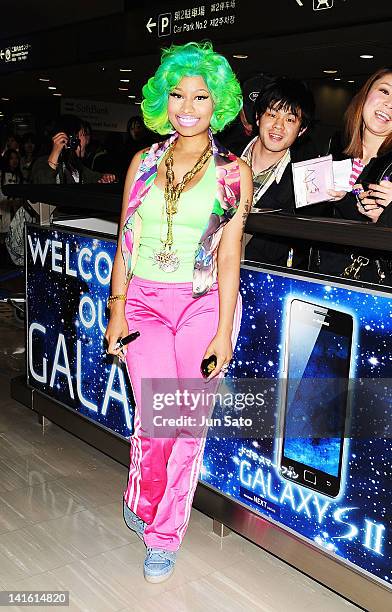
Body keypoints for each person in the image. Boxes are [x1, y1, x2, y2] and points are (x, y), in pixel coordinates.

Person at [105, 41, 252, 583]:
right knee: (155, 422)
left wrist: (223, 330)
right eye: (176, 93)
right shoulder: (142, 163)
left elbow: (231, 254)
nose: (187, 105)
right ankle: (142, 495)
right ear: (161, 100)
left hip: (200, 304)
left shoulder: (234, 172)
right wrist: (116, 308)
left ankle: (165, 535)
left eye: (201, 96)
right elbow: (125, 239)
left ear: (220, 105)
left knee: (186, 425)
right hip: (142, 298)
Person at [317, 67, 392, 282]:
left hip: (373, 288)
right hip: (320, 274)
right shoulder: (334, 145)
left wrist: (386, 214)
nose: (389, 103)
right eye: (384, 91)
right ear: (366, 94)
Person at [240, 76, 315, 267]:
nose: (278, 126)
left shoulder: (305, 180)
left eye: (290, 119)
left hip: (260, 280)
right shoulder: (225, 156)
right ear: (258, 117)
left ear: (302, 130)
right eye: (272, 115)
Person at [31, 115, 116, 184]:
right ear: (72, 139)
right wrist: (55, 152)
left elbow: (94, 177)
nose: (86, 141)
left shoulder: (76, 166)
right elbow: (43, 186)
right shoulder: (42, 162)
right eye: (83, 135)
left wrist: (105, 177)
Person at [0, 149, 23, 234]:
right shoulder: (1, 174)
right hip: (3, 210)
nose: (14, 161)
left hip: (14, 212)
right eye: (11, 158)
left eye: (16, 158)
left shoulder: (19, 176)